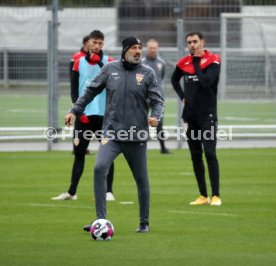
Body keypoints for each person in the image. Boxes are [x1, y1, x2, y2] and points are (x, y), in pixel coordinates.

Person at [65, 36, 164, 232]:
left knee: (141, 179)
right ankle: (100, 221)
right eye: (134, 48)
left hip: (136, 136)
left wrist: (156, 116)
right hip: (111, 134)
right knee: (99, 168)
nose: (138, 51)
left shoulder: (147, 73)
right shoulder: (110, 69)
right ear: (125, 50)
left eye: (139, 48)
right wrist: (74, 110)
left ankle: (144, 223)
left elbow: (158, 100)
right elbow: (90, 91)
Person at [51, 30, 115, 201]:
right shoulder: (78, 62)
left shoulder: (109, 62)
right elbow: (74, 91)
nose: (97, 46)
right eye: (94, 43)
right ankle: (72, 192)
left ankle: (109, 192)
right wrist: (78, 112)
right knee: (79, 153)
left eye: (100, 43)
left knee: (108, 153)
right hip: (84, 117)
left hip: (103, 116)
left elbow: (114, 85)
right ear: (88, 43)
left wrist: (101, 64)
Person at [171, 32, 222, 206]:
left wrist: (196, 63)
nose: (192, 45)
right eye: (189, 42)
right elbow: (174, 79)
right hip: (190, 117)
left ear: (202, 42)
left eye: (195, 42)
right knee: (195, 155)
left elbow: (206, 82)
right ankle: (203, 195)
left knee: (210, 153)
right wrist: (182, 96)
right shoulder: (183, 62)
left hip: (207, 117)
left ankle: (216, 195)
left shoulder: (213, 60)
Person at [142, 38, 171, 154]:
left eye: (154, 48)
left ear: (157, 49)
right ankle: (142, 147)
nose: (152, 50)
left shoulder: (161, 63)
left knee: (159, 122)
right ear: (147, 48)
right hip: (144, 97)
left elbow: (162, 78)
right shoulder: (142, 62)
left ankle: (163, 148)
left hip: (157, 98)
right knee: (142, 122)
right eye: (150, 48)